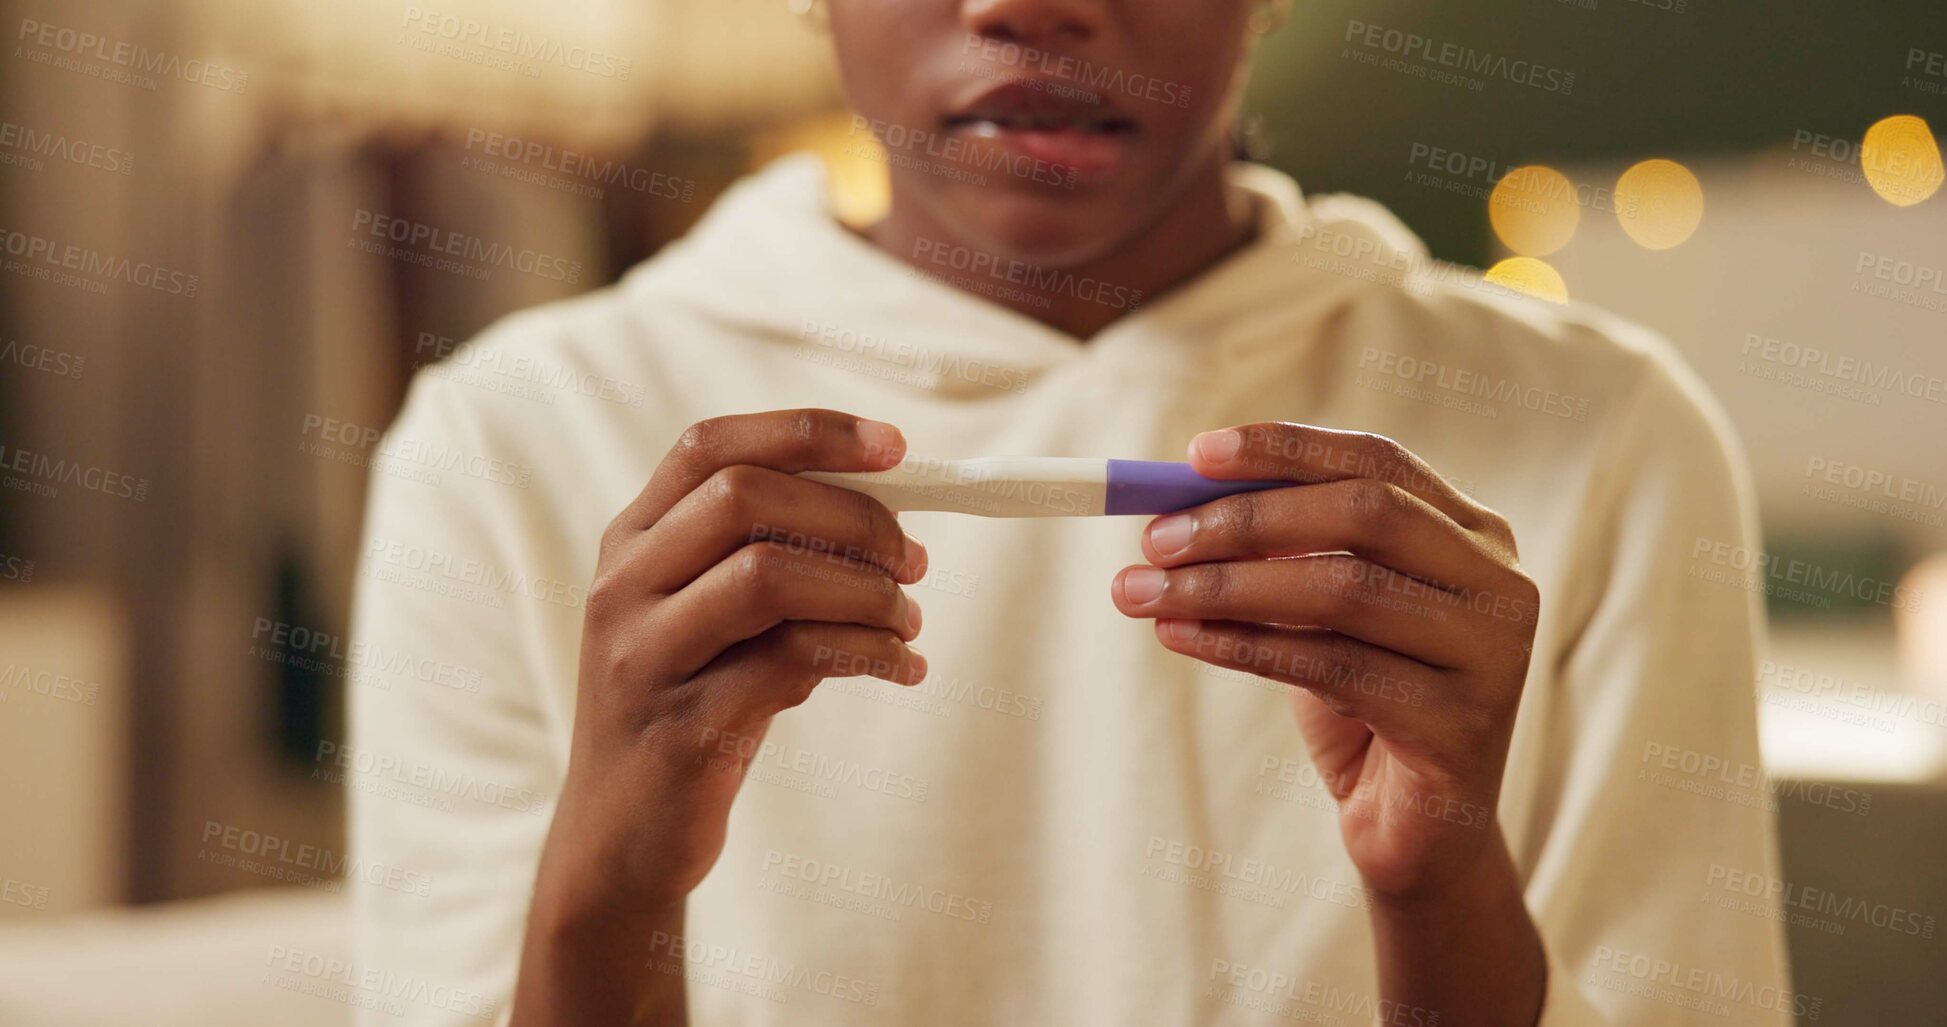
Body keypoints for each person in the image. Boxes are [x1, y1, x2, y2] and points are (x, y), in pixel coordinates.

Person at [348, 1, 1793, 1024]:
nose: (1031, 4)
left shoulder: (1609, 441)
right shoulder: (509, 440)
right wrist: (609, 889)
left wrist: (1440, 893)